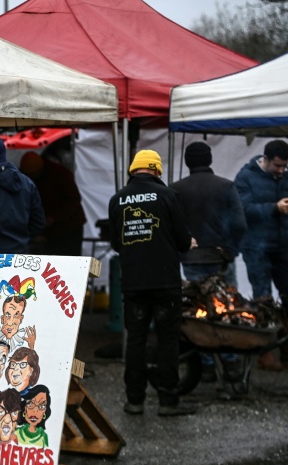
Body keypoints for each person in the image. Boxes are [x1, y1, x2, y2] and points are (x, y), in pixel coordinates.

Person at [108, 149, 196, 417]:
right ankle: (168, 402)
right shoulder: (168, 195)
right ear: (156, 171)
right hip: (164, 281)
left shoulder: (117, 199)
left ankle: (134, 401)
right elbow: (182, 242)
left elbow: (115, 243)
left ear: (132, 170)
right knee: (168, 340)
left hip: (134, 281)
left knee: (135, 340)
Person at [234, 140, 288, 370]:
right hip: (256, 247)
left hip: (283, 247)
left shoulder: (287, 178)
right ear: (266, 159)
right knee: (264, 299)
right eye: (278, 165)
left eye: (285, 166)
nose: (281, 170)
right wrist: (274, 208)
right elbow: (242, 210)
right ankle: (265, 352)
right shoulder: (246, 177)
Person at [170, 141, 247, 383]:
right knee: (226, 309)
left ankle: (204, 365)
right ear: (210, 160)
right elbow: (239, 224)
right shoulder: (225, 186)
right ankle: (231, 363)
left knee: (198, 311)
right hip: (220, 259)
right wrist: (230, 250)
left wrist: (182, 250)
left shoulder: (176, 190)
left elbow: (172, 227)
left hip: (191, 259)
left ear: (187, 162)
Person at [19, 151, 87, 256]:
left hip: (68, 228)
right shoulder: (32, 178)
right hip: (48, 229)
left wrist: (54, 218)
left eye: (33, 174)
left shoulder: (59, 173)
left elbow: (73, 200)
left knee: (68, 261)